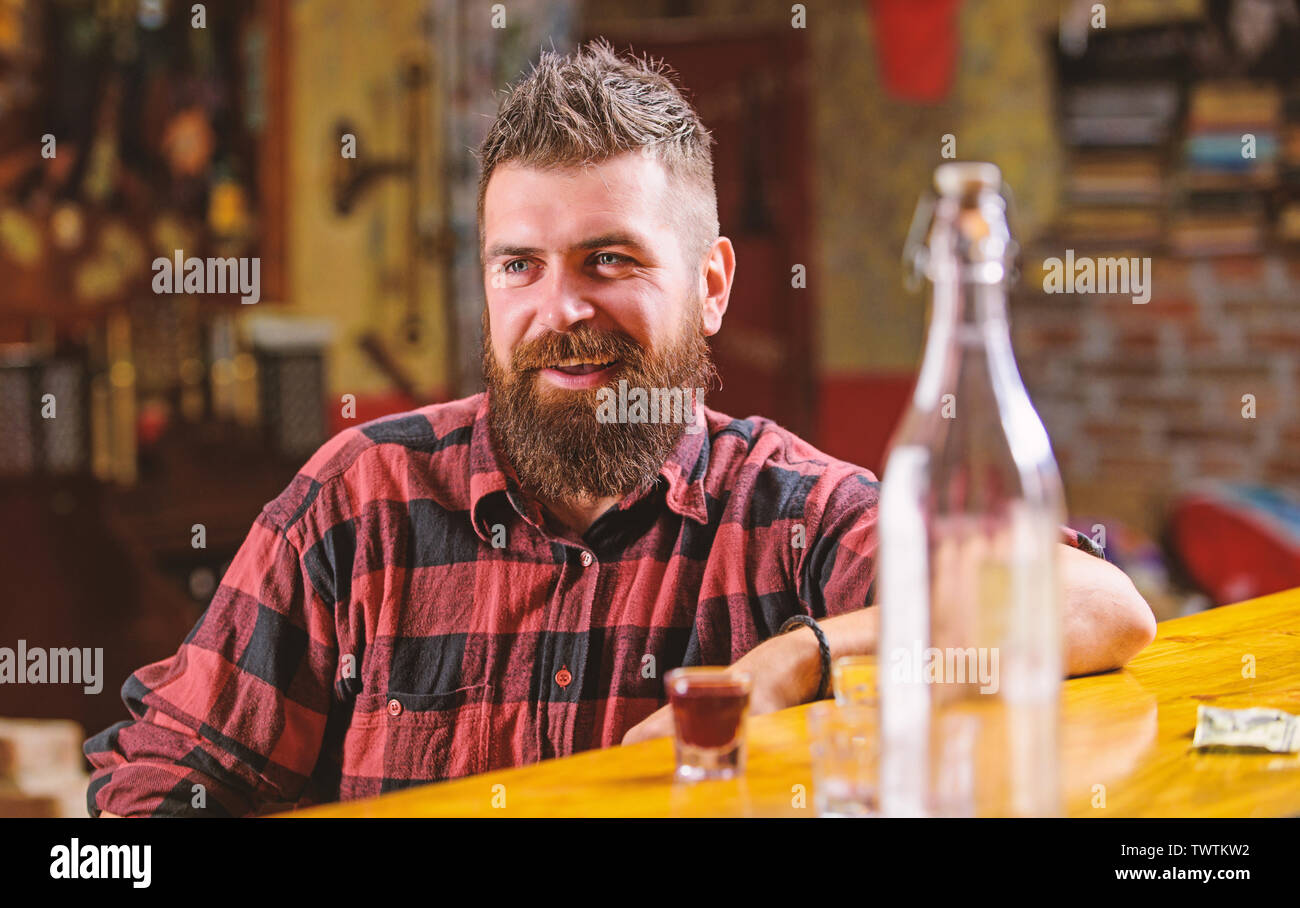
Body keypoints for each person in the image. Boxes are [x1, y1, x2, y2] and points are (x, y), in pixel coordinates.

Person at [86, 39, 1155, 817]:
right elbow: (146, 791)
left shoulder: (782, 516)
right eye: (521, 265)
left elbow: (1097, 604)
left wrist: (794, 658)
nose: (561, 311)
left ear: (713, 283)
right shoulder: (359, 500)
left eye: (610, 260)